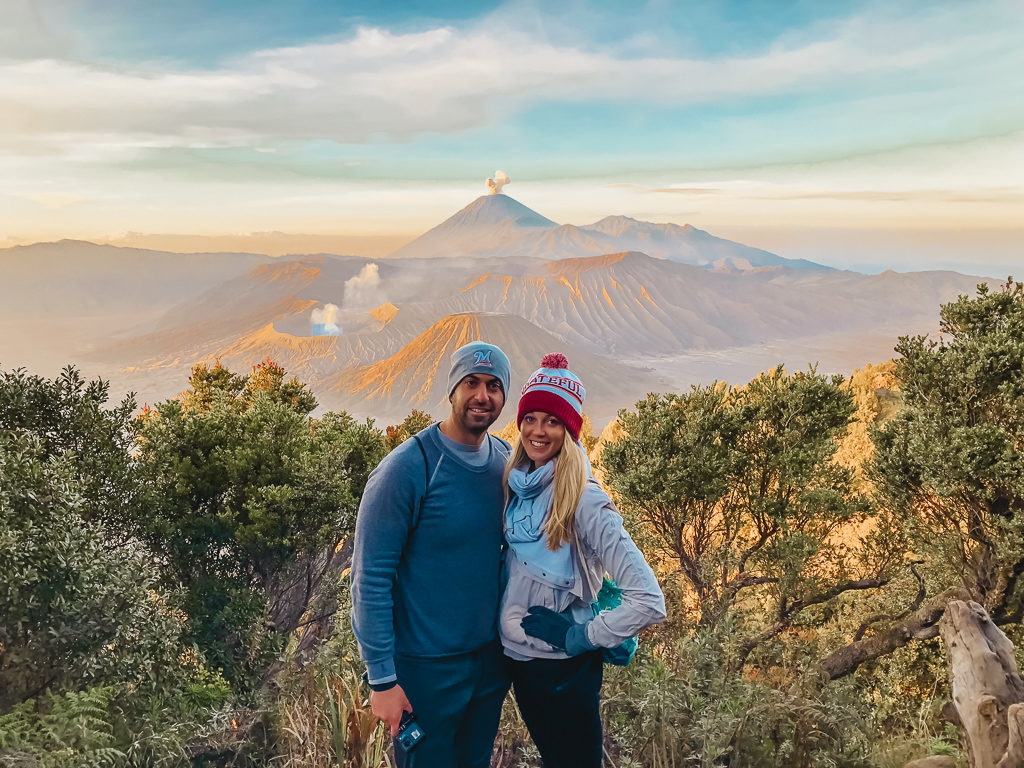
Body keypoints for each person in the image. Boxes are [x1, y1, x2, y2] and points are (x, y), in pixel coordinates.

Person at [351, 341, 513, 768]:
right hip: (423, 673)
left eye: (494, 386)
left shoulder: (504, 463)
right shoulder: (406, 469)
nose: (483, 396)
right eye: (471, 383)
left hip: (488, 665)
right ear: (452, 390)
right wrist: (382, 681)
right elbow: (370, 579)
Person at [500, 353, 666, 768]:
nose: (538, 431)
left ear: (570, 431)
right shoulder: (518, 482)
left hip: (564, 673)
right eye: (531, 417)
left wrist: (579, 636)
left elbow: (648, 599)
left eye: (553, 421)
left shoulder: (584, 499)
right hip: (524, 666)